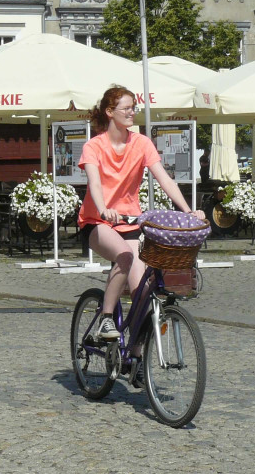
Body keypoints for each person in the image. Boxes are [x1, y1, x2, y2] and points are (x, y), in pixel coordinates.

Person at [78, 86, 205, 351]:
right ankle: (105, 319)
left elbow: (164, 179)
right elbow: (95, 184)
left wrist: (187, 210)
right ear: (110, 112)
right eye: (126, 108)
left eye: (134, 107)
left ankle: (135, 356)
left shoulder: (141, 143)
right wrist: (103, 209)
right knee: (123, 256)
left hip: (130, 222)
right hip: (97, 222)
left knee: (142, 290)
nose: (131, 112)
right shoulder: (94, 147)